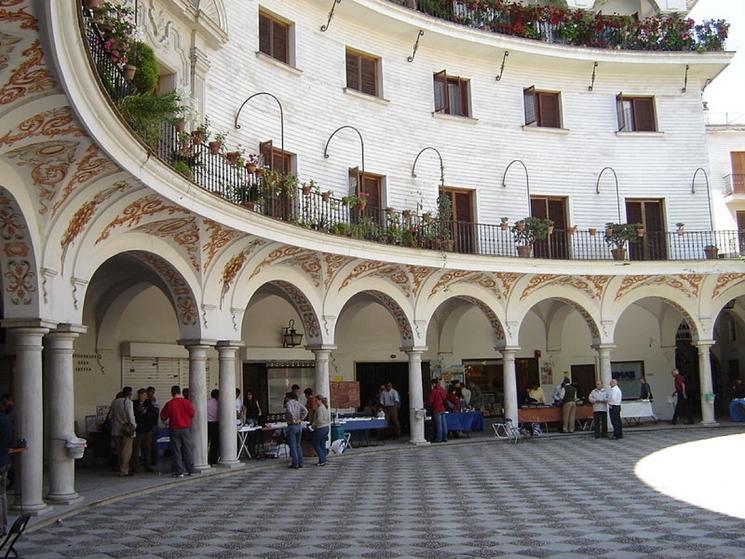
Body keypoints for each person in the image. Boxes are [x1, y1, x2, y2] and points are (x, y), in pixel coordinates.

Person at [0, 394, 25, 536]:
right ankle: (2, 526)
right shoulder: (7, 419)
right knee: (2, 495)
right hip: (5, 461)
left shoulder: (3, 419)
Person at [160, 385, 196, 478]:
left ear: (172, 393)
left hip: (174, 428)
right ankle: (190, 469)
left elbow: (163, 416)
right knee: (187, 449)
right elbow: (192, 413)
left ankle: (179, 471)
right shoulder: (187, 402)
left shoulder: (170, 403)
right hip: (186, 428)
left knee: (176, 450)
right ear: (180, 392)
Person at [110, 386, 136, 476]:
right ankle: (125, 469)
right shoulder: (128, 402)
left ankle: (119, 466)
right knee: (127, 450)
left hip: (116, 429)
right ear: (130, 393)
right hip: (126, 430)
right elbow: (130, 416)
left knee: (119, 450)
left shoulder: (114, 402)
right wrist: (134, 426)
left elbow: (111, 416)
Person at [131, 388, 158, 472]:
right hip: (137, 428)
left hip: (147, 428)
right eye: (140, 395)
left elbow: (154, 415)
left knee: (147, 448)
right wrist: (138, 411)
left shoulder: (149, 403)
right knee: (136, 447)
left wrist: (146, 412)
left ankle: (148, 465)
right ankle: (135, 466)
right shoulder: (134, 403)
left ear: (146, 396)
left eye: (143, 395)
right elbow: (131, 414)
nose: (141, 397)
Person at [284, 391, 308, 469]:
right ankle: (301, 462)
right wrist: (300, 419)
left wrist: (293, 419)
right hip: (299, 426)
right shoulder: (298, 403)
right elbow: (305, 411)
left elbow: (290, 411)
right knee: (298, 445)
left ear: (289, 397)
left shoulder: (289, 403)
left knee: (293, 446)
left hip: (292, 425)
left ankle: (295, 463)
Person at [426, 379, 448, 443]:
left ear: (433, 384)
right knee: (444, 424)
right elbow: (445, 397)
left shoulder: (434, 391)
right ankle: (445, 437)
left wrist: (427, 403)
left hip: (436, 409)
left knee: (439, 424)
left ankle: (439, 438)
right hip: (442, 408)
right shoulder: (442, 389)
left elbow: (430, 401)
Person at [311, 395, 330, 466]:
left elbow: (319, 419)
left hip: (320, 428)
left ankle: (322, 459)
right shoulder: (325, 407)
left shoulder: (319, 408)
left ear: (319, 400)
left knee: (316, 443)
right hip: (326, 427)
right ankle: (323, 459)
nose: (315, 402)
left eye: (316, 400)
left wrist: (313, 425)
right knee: (322, 444)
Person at [207, 389, 219, 465]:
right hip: (216, 424)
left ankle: (204, 459)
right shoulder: (219, 403)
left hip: (207, 424)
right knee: (214, 443)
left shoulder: (206, 402)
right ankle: (213, 459)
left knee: (206, 441)